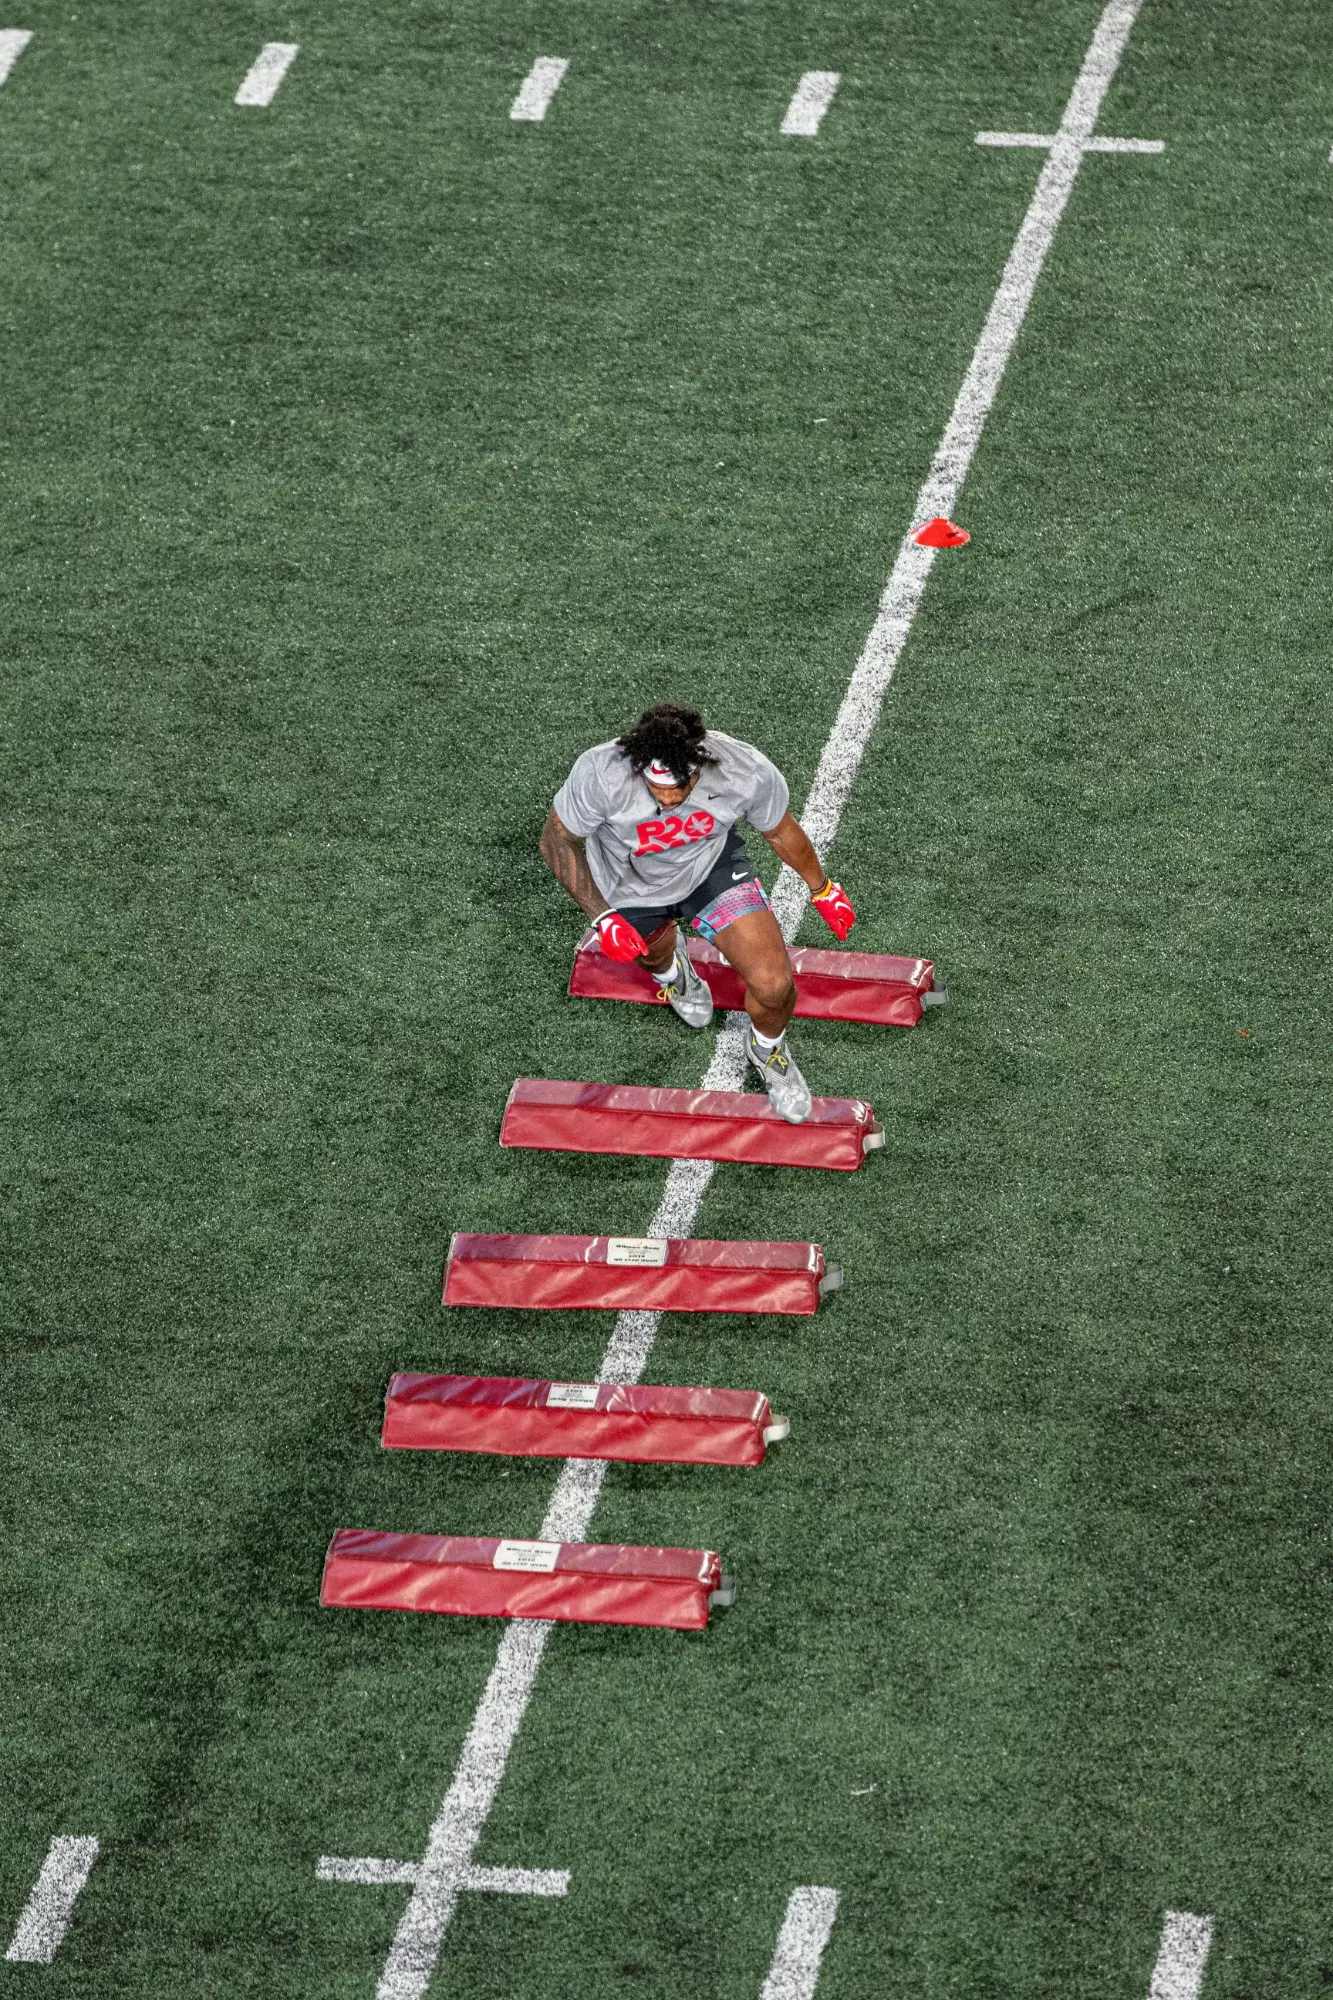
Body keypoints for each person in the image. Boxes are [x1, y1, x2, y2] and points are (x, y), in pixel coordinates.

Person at [539, 703, 856, 1124]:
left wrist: (823, 888)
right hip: (628, 884)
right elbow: (556, 841)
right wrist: (604, 918)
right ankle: (675, 975)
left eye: (679, 788)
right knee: (654, 955)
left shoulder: (742, 768)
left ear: (699, 766)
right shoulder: (601, 772)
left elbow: (779, 830)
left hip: (710, 869)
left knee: (775, 984)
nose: (668, 801)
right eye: (657, 789)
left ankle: (767, 1049)